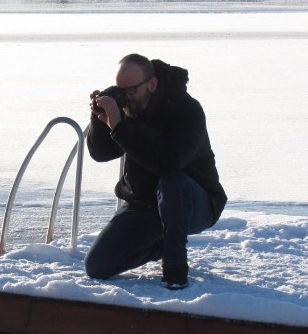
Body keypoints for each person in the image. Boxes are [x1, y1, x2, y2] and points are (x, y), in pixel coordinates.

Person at [85, 53, 226, 289]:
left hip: (197, 201)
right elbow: (101, 153)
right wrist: (100, 120)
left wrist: (121, 126)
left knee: (172, 182)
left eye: (131, 91)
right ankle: (165, 241)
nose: (125, 98)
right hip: (146, 204)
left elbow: (169, 163)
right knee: (98, 266)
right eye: (121, 91)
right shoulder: (130, 108)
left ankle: (175, 271)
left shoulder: (186, 110)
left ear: (152, 84)